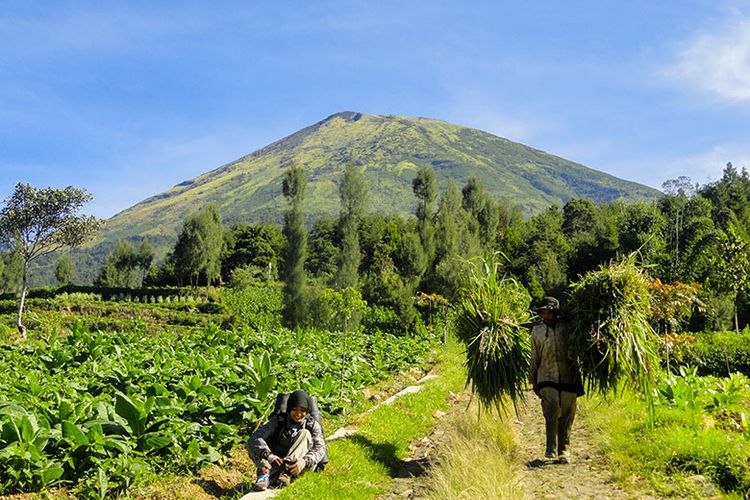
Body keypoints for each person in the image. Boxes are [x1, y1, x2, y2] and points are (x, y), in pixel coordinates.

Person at [529, 296, 584, 463]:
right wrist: (533, 379)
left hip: (568, 375)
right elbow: (534, 356)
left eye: (549, 311)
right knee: (551, 405)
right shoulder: (537, 331)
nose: (546, 314)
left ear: (555, 312)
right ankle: (550, 448)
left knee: (567, 410)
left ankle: (564, 449)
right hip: (546, 375)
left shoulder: (567, 328)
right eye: (543, 312)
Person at [248, 389, 327, 490]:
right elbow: (254, 438)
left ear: (307, 412)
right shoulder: (279, 421)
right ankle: (266, 474)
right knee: (253, 443)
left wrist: (304, 462)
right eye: (295, 409)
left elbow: (320, 448)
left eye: (302, 411)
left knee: (305, 433)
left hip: (299, 465)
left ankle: (286, 474)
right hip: (276, 462)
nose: (298, 414)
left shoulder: (312, 425)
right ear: (289, 409)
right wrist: (270, 456)